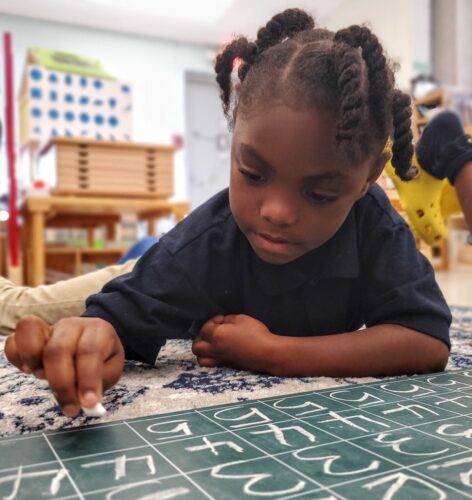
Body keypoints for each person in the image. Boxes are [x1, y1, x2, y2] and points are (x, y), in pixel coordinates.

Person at [5, 9, 451, 418]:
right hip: (153, 263)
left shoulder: (373, 223)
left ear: (367, 178)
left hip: (177, 269)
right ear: (234, 136)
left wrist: (273, 352)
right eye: (254, 175)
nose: (276, 212)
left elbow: (426, 340)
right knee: (30, 306)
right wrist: (97, 333)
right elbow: (114, 316)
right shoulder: (201, 243)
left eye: (318, 194)